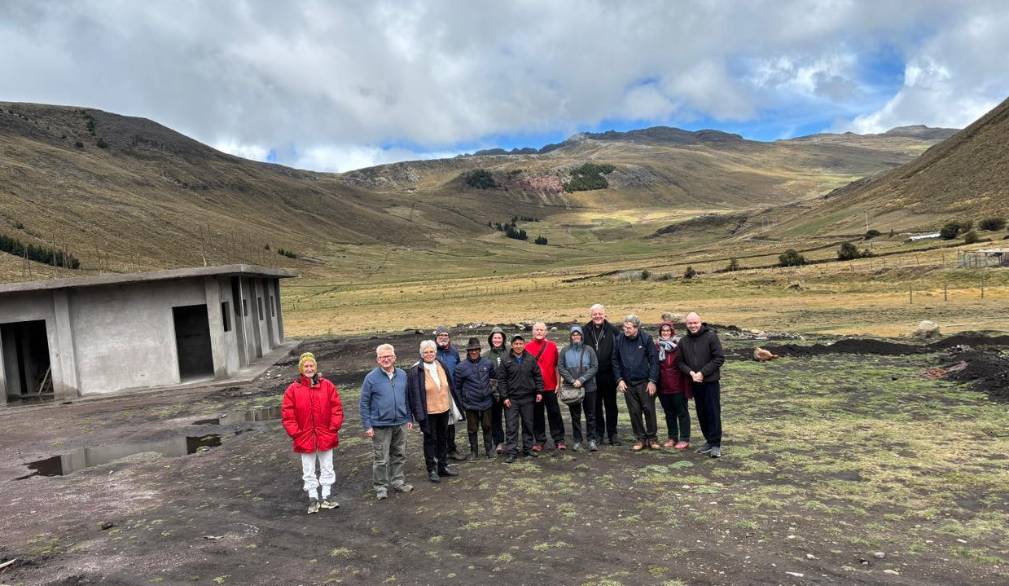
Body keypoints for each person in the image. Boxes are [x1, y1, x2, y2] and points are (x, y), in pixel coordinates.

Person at [281, 352, 344, 513]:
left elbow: (336, 408)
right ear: (301, 369)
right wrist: (296, 433)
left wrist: (333, 427)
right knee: (308, 469)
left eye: (311, 366)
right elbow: (288, 414)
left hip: (325, 434)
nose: (309, 369)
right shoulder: (292, 390)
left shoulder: (327, 386)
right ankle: (313, 498)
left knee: (327, 466)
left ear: (315, 368)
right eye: (306, 366)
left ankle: (326, 496)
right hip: (305, 436)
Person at [359, 344, 414, 500]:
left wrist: (409, 417)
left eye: (389, 356)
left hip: (401, 423)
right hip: (380, 425)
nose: (386, 359)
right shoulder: (371, 378)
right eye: (382, 357)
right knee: (381, 458)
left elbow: (406, 398)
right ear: (378, 360)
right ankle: (381, 487)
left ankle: (398, 482)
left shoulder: (402, 375)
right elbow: (364, 403)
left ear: (394, 357)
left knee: (399, 454)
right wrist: (367, 425)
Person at [409, 340, 464, 482]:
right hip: (428, 413)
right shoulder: (416, 370)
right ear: (421, 354)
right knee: (430, 440)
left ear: (435, 352)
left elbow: (449, 386)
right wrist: (419, 415)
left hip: (444, 409)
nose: (429, 354)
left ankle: (443, 466)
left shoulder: (441, 365)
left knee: (442, 438)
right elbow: (414, 394)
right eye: (426, 352)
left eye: (431, 351)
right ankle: (432, 469)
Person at [677, 312, 726, 458]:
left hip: (710, 382)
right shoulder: (683, 341)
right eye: (690, 323)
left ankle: (716, 444)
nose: (693, 326)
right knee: (701, 412)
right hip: (695, 382)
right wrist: (691, 373)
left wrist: (703, 373)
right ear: (686, 325)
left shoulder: (711, 336)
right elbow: (680, 362)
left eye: (695, 323)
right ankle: (709, 441)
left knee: (713, 412)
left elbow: (719, 358)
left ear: (700, 322)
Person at [612, 315, 660, 451]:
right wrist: (619, 380)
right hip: (627, 383)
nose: (625, 330)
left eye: (628, 328)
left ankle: (652, 438)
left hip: (645, 382)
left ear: (636, 327)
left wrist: (652, 381)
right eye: (624, 327)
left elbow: (654, 361)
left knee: (649, 410)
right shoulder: (619, 339)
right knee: (634, 412)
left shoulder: (646, 338)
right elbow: (615, 361)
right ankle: (640, 439)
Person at [497, 334, 544, 463]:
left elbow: (537, 375)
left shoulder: (530, 358)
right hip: (512, 399)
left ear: (524, 345)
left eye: (520, 343)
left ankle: (528, 448)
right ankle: (512, 451)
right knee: (511, 426)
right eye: (516, 344)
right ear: (512, 345)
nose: (518, 346)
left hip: (528, 397)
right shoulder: (505, 359)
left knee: (528, 425)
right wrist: (504, 397)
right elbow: (501, 380)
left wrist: (539, 391)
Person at [583, 304, 621, 446]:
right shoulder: (584, 330)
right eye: (595, 314)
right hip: (591, 376)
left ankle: (613, 434)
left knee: (611, 406)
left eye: (600, 314)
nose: (597, 316)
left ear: (604, 314)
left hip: (609, 375)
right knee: (595, 406)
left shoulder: (613, 330)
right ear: (591, 315)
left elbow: (619, 352)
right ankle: (598, 434)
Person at [557, 325, 599, 452]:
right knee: (575, 415)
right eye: (573, 334)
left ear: (582, 336)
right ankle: (577, 440)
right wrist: (571, 380)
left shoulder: (589, 350)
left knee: (590, 414)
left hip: (589, 387)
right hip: (572, 388)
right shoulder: (565, 351)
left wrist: (582, 379)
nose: (576, 336)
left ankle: (591, 439)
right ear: (570, 336)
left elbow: (594, 366)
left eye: (578, 334)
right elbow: (561, 367)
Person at [525, 322, 564, 451]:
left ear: (546, 332)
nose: (539, 332)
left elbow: (557, 366)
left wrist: (558, 383)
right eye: (537, 330)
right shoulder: (527, 347)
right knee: (537, 415)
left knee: (554, 413)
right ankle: (540, 440)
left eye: (541, 330)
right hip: (535, 388)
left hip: (551, 386)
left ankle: (559, 439)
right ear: (532, 332)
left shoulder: (552, 346)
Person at [454, 337, 495, 460]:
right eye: (471, 350)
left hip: (486, 401)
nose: (474, 352)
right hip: (470, 403)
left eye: (476, 349)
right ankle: (474, 452)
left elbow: (493, 380)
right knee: (472, 429)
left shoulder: (488, 363)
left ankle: (489, 450)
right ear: (468, 351)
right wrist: (461, 403)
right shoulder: (460, 367)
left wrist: (491, 392)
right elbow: (457, 387)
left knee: (487, 426)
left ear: (479, 350)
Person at [655, 321, 692, 449]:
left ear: (672, 332)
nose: (665, 333)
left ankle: (684, 438)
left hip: (678, 386)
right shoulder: (656, 347)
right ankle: (672, 437)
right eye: (663, 331)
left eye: (668, 331)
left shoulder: (679, 346)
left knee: (682, 413)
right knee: (669, 413)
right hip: (663, 386)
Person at [434, 326, 465, 461]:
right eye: (440, 335)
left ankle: (451, 449)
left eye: (445, 335)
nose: (443, 337)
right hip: (436, 394)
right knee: (438, 422)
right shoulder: (431, 351)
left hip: (451, 392)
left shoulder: (454, 352)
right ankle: (439, 451)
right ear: (436, 337)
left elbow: (458, 370)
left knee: (451, 422)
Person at [484, 327, 509, 454]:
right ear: (491, 339)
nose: (497, 340)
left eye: (499, 337)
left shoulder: (509, 352)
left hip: (509, 390)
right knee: (495, 418)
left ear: (503, 339)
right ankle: (499, 442)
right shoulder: (486, 355)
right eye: (495, 338)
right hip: (493, 391)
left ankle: (511, 441)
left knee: (510, 417)